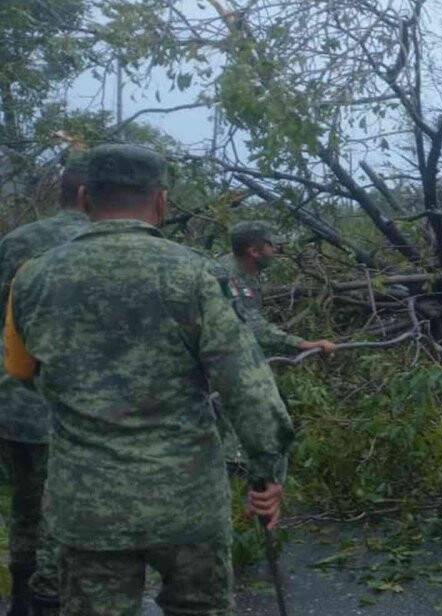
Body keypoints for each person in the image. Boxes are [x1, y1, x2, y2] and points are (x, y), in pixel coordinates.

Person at [4, 144, 294, 615]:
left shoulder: (33, 277)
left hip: (87, 503)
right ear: (161, 201)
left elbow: (19, 369)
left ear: (84, 196)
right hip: (187, 502)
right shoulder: (195, 274)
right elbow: (248, 386)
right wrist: (266, 472)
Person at [0, 153, 91, 615]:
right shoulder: (103, 245)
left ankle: (19, 598)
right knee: (75, 507)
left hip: (17, 399)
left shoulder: (17, 242)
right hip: (83, 407)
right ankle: (54, 596)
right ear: (88, 194)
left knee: (25, 503)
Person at [215, 221, 335, 356]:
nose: (275, 250)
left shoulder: (242, 266)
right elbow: (253, 327)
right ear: (254, 252)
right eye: (270, 245)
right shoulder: (228, 279)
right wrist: (303, 344)